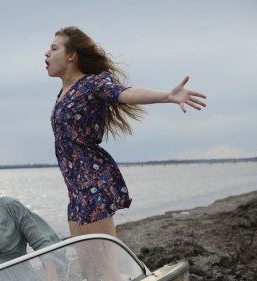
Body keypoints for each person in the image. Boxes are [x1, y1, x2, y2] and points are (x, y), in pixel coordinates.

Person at [45, 26, 207, 238]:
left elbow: (125, 93)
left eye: (54, 48)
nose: (47, 53)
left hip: (91, 184)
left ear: (71, 55)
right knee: (90, 267)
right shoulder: (63, 93)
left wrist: (167, 96)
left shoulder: (92, 84)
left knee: (105, 269)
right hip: (76, 190)